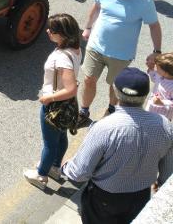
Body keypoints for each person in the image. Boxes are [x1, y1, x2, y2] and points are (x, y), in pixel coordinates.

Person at [63, 68, 173, 223]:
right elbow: (168, 172)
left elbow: (79, 173)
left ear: (115, 91)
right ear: (146, 94)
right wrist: (160, 184)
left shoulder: (103, 128)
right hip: (140, 197)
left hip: (104, 199)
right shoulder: (165, 126)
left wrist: (65, 166)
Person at [77, 0, 162, 129]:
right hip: (96, 45)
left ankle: (110, 110)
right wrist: (87, 27)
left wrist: (156, 51)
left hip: (121, 54)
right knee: (88, 79)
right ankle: (84, 111)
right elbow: (96, 7)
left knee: (114, 85)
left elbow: (154, 26)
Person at [23, 14, 81, 190]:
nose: (47, 31)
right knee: (61, 136)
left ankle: (41, 175)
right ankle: (55, 168)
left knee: (49, 143)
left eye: (52, 30)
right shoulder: (75, 49)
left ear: (62, 34)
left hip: (54, 104)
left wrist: (48, 98)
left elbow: (71, 88)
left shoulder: (62, 57)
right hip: (67, 105)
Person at [146, 52, 173, 121]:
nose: (155, 68)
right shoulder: (160, 74)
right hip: (152, 106)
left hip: (163, 113)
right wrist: (151, 71)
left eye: (157, 67)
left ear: (166, 72)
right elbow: (154, 79)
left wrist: (161, 102)